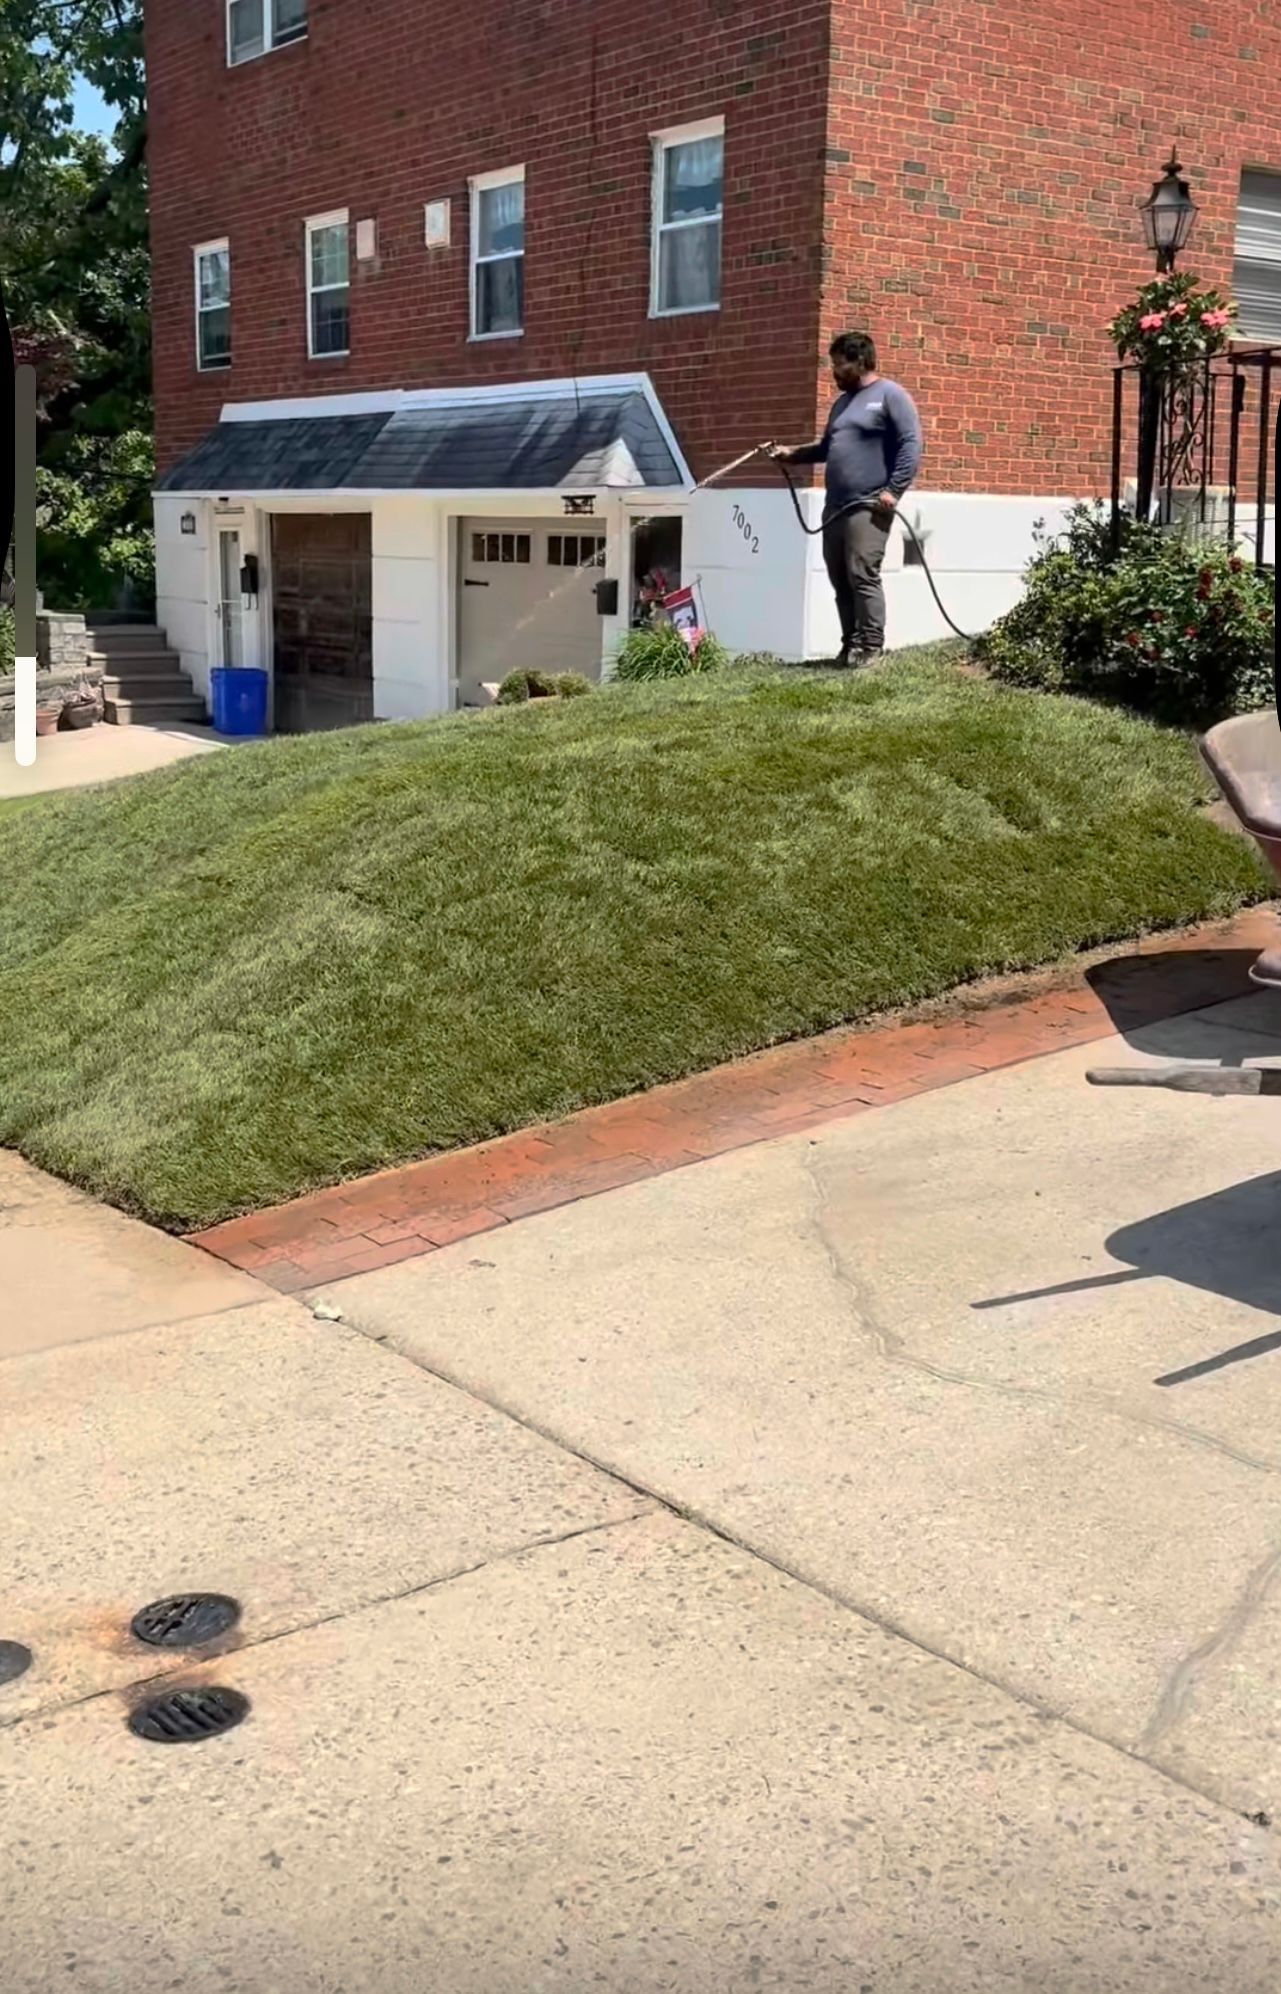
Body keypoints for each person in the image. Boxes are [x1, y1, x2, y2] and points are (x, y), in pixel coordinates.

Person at [771, 331, 923, 667]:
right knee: (840, 577)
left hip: (869, 504)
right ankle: (849, 646)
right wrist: (791, 454)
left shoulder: (890, 396)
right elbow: (827, 449)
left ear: (860, 361)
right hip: (835, 507)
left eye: (839, 365)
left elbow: (911, 445)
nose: (834, 372)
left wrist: (893, 491)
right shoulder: (841, 404)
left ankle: (871, 646)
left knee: (861, 572)